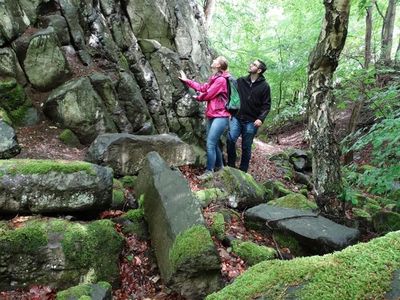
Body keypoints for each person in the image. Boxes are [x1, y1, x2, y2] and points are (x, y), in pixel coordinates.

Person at [179, 56, 231, 179]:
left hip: (221, 116)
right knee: (214, 143)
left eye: (215, 60)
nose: (213, 61)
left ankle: (209, 171)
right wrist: (187, 81)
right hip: (213, 115)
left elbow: (208, 94)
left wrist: (198, 98)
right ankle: (221, 167)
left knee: (210, 143)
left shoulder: (221, 80)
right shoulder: (214, 78)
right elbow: (203, 88)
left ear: (218, 65)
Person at [227, 59, 271, 173]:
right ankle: (231, 167)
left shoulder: (265, 86)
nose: (251, 65)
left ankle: (243, 171)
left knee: (246, 147)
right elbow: (232, 95)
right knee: (231, 139)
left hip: (252, 121)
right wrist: (230, 112)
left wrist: (260, 119)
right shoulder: (241, 81)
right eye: (252, 63)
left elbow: (266, 105)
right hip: (237, 117)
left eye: (254, 65)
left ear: (259, 70)